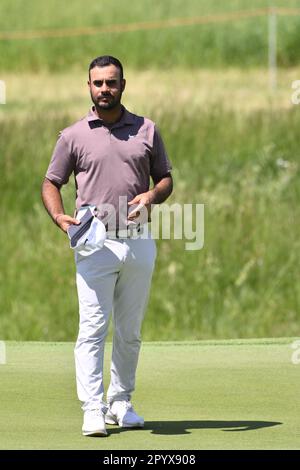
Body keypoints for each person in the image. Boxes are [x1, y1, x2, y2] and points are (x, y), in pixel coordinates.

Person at [41, 56, 173, 437]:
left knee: (129, 330)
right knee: (93, 328)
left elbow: (165, 178)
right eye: (97, 83)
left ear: (123, 85)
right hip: (94, 243)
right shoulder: (73, 135)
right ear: (88, 87)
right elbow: (51, 182)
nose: (104, 90)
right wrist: (59, 216)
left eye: (111, 83)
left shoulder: (147, 130)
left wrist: (151, 195)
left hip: (138, 242)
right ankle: (93, 407)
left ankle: (120, 401)